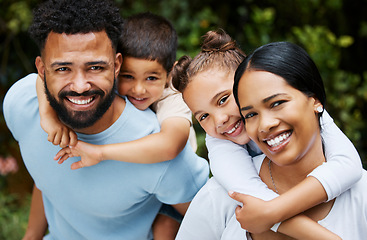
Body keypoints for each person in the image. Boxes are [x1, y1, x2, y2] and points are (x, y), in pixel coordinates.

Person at [3, 1, 208, 240]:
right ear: (41, 69)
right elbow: (47, 180)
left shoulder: (157, 146)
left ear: (116, 65)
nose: (80, 86)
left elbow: (210, 219)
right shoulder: (22, 102)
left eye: (95, 67)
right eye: (62, 69)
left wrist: (101, 152)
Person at [172, 30, 362, 239]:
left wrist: (273, 213)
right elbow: (251, 198)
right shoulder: (221, 172)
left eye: (223, 100)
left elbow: (348, 164)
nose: (219, 120)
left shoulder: (360, 196)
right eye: (203, 116)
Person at [231, 41, 367, 239]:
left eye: (277, 103)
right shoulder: (225, 194)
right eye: (250, 115)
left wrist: (272, 214)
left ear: (315, 100)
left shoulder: (362, 195)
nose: (264, 125)